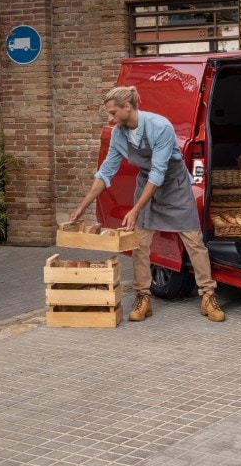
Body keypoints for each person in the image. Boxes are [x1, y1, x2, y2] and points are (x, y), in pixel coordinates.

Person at [70, 86, 224, 323]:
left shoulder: (159, 126)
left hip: (174, 185)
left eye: (112, 113)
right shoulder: (118, 134)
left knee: (194, 240)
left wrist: (135, 209)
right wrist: (83, 206)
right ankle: (143, 297)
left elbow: (159, 172)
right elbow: (106, 172)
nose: (109, 119)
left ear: (127, 108)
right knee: (140, 243)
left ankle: (207, 295)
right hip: (147, 185)